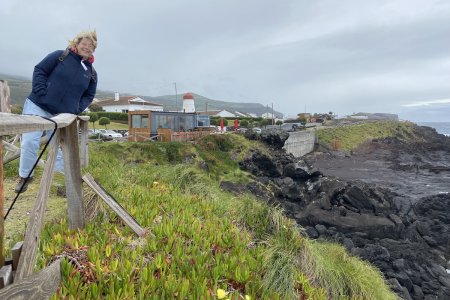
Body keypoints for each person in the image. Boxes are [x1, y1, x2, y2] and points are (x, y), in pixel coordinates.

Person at [15, 30, 98, 193]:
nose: (87, 47)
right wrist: (41, 92)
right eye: (84, 44)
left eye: (91, 46)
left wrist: (76, 109)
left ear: (93, 50)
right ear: (77, 43)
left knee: (59, 149)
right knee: (30, 141)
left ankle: (61, 185)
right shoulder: (61, 55)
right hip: (37, 105)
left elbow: (89, 95)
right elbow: (40, 70)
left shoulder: (91, 73)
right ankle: (25, 176)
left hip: (60, 115)